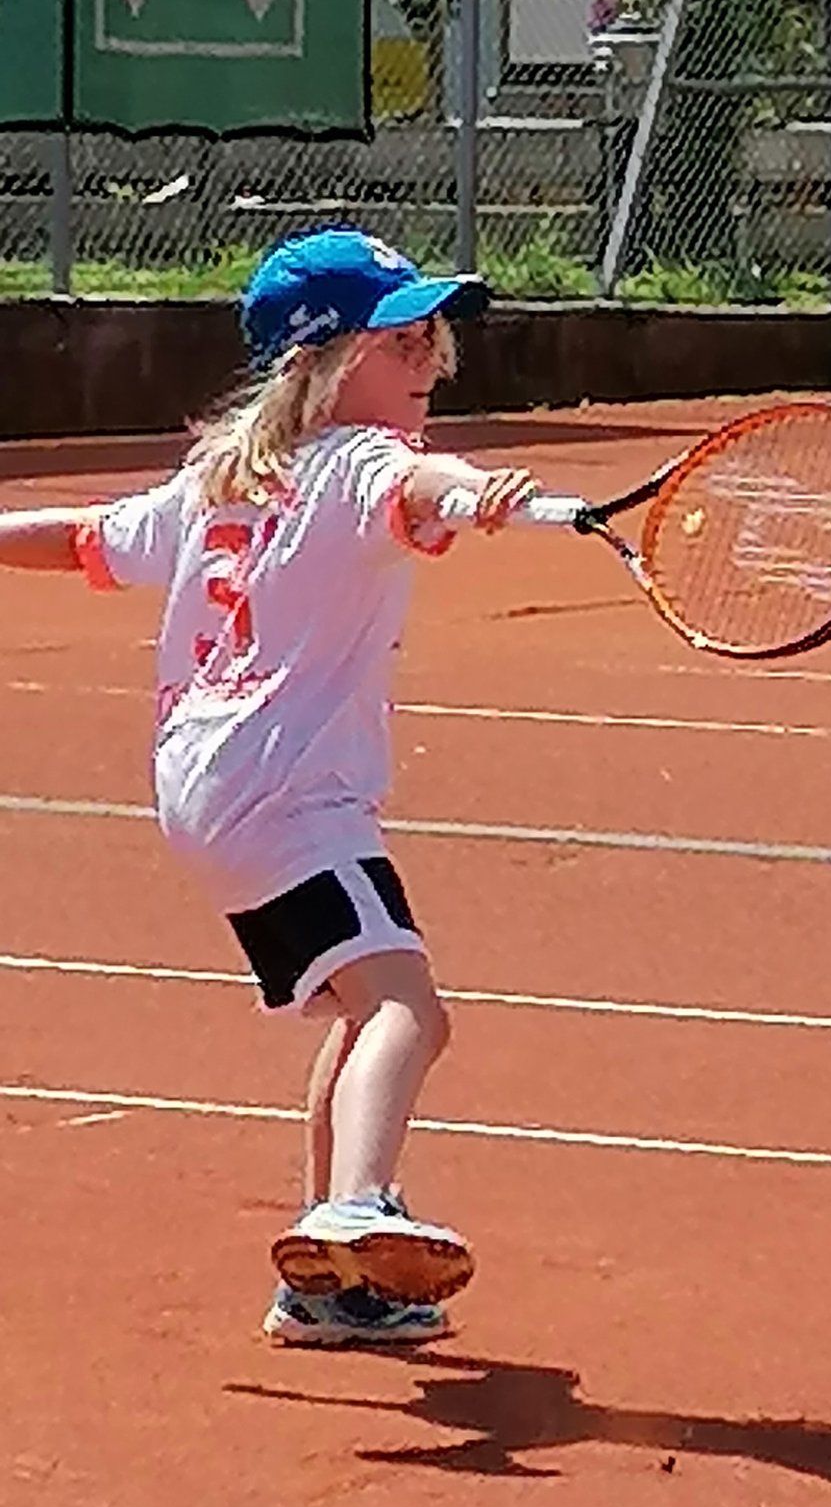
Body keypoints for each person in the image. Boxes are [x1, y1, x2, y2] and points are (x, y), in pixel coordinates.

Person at [0, 226, 542, 1347]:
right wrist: (475, 492)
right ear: (330, 362)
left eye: (433, 340)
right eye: (403, 343)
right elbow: (419, 484)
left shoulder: (226, 476)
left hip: (205, 785)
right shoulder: (362, 461)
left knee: (354, 1003)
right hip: (290, 789)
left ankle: (330, 1285)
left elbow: (90, 539)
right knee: (408, 1010)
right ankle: (356, 1206)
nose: (430, 361)